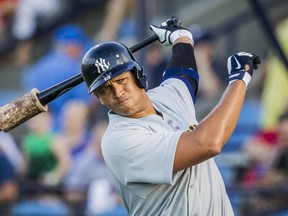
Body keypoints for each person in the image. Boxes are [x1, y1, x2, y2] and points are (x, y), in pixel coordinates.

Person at [80, 16, 261, 215]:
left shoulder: (165, 98)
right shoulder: (118, 141)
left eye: (121, 80)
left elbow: (182, 74)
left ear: (137, 74)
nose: (118, 92)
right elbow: (209, 143)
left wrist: (181, 38)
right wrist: (239, 80)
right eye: (106, 89)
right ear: (99, 97)